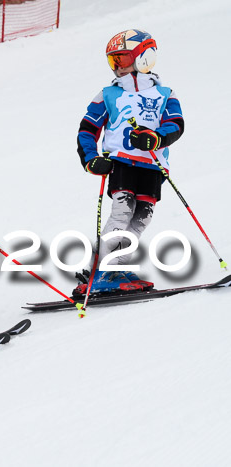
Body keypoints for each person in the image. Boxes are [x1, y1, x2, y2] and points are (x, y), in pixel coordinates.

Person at [75, 29, 184, 294]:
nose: (117, 67)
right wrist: (91, 159)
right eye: (113, 61)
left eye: (122, 59)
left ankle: (117, 267)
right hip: (122, 161)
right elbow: (87, 129)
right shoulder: (107, 94)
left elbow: (176, 124)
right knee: (122, 212)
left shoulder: (164, 94)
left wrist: (156, 138)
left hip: (153, 164)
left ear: (144, 57)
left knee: (142, 217)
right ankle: (100, 272)